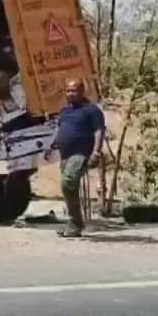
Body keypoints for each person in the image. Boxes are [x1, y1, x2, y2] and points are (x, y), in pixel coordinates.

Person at [43, 78, 106, 237]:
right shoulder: (65, 110)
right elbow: (60, 129)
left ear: (82, 91)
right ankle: (74, 224)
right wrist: (51, 145)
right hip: (65, 155)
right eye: (68, 91)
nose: (71, 94)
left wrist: (96, 152)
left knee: (68, 182)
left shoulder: (91, 110)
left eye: (74, 90)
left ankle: (75, 223)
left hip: (81, 153)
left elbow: (99, 131)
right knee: (69, 190)